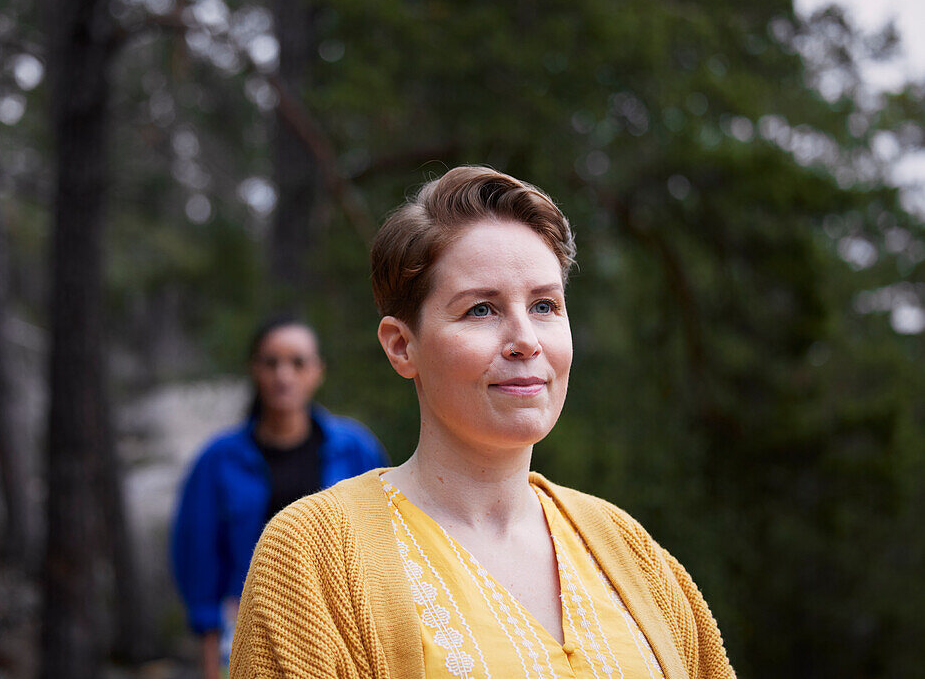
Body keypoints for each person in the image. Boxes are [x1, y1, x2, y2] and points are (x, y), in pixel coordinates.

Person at [230, 167, 735, 678]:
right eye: (481, 310)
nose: (525, 339)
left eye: (544, 305)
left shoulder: (628, 551)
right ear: (402, 346)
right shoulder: (314, 559)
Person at [170, 314, 389, 679]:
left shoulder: (355, 449)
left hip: (342, 623)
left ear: (317, 371)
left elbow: (383, 538)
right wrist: (211, 652)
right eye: (271, 362)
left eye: (298, 362)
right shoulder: (217, 461)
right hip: (249, 625)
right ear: (254, 370)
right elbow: (197, 559)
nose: (283, 375)